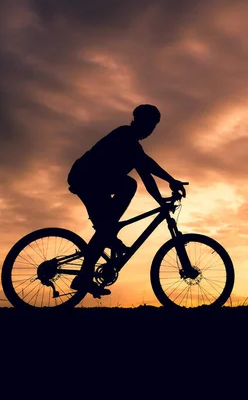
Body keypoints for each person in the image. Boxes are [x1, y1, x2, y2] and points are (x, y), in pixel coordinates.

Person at [67, 104, 187, 297]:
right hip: (87, 178)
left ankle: (106, 238)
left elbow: (147, 172)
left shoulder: (133, 145)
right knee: (127, 187)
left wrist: (165, 191)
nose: (150, 129)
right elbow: (146, 169)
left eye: (153, 126)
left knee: (107, 227)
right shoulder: (125, 135)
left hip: (96, 181)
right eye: (149, 124)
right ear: (139, 121)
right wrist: (168, 185)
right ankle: (86, 273)